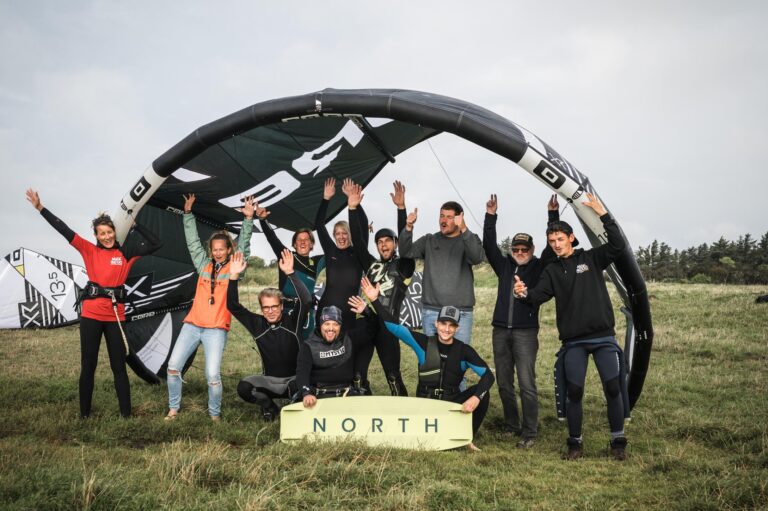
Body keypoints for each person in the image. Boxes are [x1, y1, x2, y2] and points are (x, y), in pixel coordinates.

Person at [513, 193, 631, 461]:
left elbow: (617, 244)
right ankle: (575, 443)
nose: (555, 244)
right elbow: (537, 296)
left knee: (612, 388)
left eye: (560, 239)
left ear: (571, 238)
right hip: (574, 342)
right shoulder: (552, 271)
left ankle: (618, 441)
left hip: (603, 338)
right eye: (551, 241)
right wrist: (522, 293)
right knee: (574, 391)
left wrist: (603, 214)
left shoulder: (591, 258)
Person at [26, 188, 162, 418]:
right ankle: (84, 415)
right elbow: (63, 229)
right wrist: (40, 208)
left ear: (114, 232)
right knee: (88, 367)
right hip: (91, 316)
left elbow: (157, 243)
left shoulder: (127, 252)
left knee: (119, 368)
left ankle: (126, 416)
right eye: (102, 234)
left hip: (115, 317)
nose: (107, 237)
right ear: (96, 236)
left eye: (109, 232)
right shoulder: (88, 250)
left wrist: (136, 226)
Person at [361, 278, 494, 451]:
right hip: (425, 404)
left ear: (457, 328)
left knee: (483, 394)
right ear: (436, 323)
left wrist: (476, 397)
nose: (446, 329)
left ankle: (466, 438)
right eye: (443, 324)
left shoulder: (464, 351)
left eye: (451, 325)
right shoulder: (423, 342)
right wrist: (374, 300)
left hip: (451, 405)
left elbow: (488, 376)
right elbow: (393, 327)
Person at [165, 193, 254, 421]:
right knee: (173, 367)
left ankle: (214, 415)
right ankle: (173, 409)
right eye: (214, 249)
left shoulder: (234, 267)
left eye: (221, 249)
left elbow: (243, 243)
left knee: (212, 375)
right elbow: (193, 243)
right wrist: (187, 214)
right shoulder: (203, 265)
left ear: (228, 250)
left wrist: (248, 219)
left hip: (216, 329)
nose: (217, 252)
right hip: (192, 326)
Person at [483, 193, 560, 448]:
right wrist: (490, 216)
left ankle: (530, 432)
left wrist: (552, 216)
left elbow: (552, 247)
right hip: (500, 331)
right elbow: (488, 246)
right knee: (504, 382)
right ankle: (511, 425)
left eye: (524, 249)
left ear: (532, 250)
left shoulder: (540, 266)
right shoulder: (504, 265)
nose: (519, 253)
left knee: (526, 383)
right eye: (515, 249)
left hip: (526, 333)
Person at [347, 180, 414, 396]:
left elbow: (406, 245)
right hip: (368, 322)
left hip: (389, 325)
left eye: (388, 241)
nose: (383, 244)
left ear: (395, 243)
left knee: (393, 377)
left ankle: (403, 412)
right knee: (357, 377)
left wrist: (401, 208)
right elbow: (357, 243)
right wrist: (353, 208)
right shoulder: (372, 265)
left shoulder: (404, 264)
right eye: (379, 241)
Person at [226, 249, 310, 421]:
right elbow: (233, 306)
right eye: (266, 307)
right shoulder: (257, 324)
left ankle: (295, 405)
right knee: (244, 387)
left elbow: (306, 300)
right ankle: (270, 407)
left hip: (294, 381)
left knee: (307, 386)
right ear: (261, 308)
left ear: (281, 306)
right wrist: (233, 276)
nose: (270, 311)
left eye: (274, 306)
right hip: (269, 381)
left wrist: (291, 273)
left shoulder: (292, 321)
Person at [254, 202, 324, 339]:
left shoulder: (318, 261)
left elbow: (337, 250)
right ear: (294, 244)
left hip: (307, 316)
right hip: (287, 313)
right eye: (299, 240)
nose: (303, 242)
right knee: (287, 349)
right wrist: (262, 220)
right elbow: (272, 239)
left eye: (306, 239)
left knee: (307, 351)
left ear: (311, 244)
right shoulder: (287, 256)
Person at [297, 298, 379, 408]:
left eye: (335, 324)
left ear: (340, 326)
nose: (331, 328)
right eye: (327, 324)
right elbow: (302, 372)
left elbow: (375, 328)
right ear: (320, 325)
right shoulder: (308, 345)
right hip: (319, 394)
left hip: (346, 393)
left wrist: (366, 311)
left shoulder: (349, 338)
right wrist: (306, 393)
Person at [313, 177, 366, 329]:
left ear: (350, 234)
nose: (341, 237)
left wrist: (354, 203)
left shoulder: (358, 253)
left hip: (348, 314)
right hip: (325, 311)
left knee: (347, 351)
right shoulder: (330, 251)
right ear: (334, 235)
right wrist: (326, 199)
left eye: (344, 233)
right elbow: (319, 225)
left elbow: (361, 227)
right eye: (337, 233)